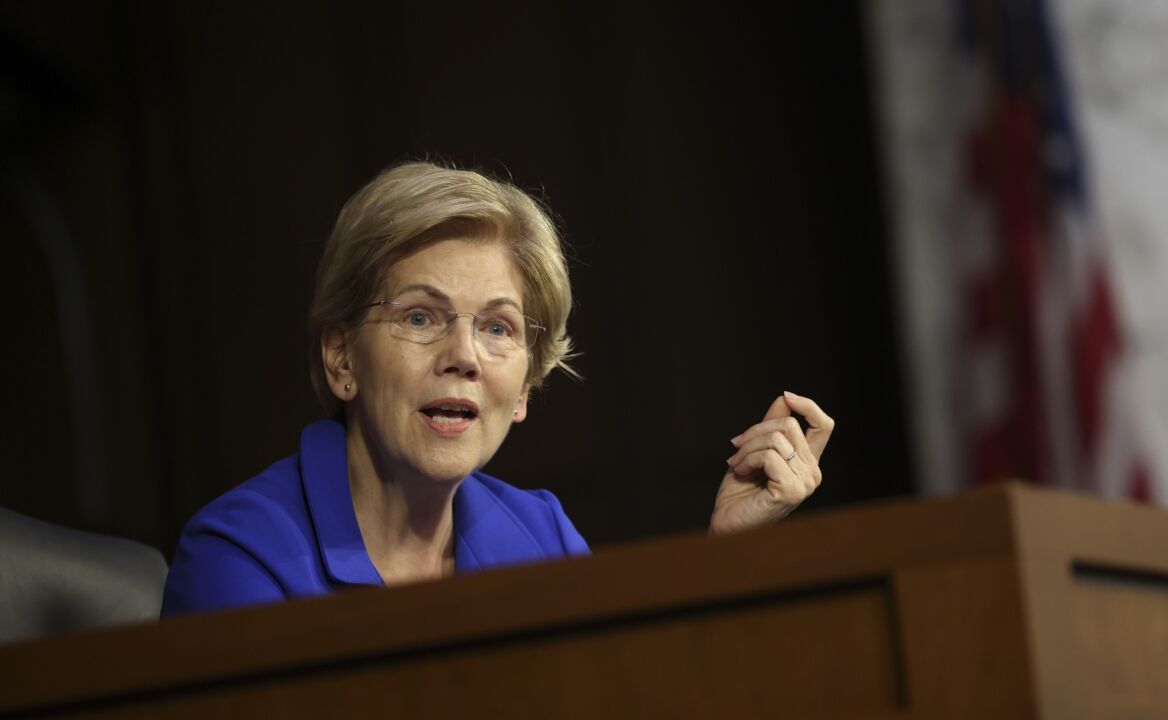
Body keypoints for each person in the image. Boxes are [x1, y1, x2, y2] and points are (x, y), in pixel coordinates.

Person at [160, 162, 834, 617]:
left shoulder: (540, 536)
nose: (464, 357)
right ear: (342, 358)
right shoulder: (240, 557)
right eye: (419, 318)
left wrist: (728, 554)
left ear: (524, 391)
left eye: (497, 328)